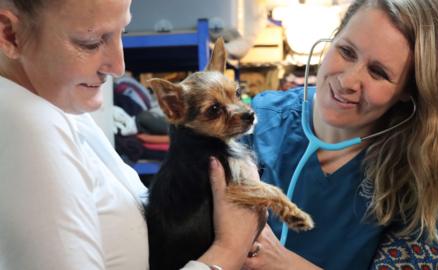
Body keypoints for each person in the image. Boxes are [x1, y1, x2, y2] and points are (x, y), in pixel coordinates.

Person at [0, 0, 261, 269]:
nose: (119, 66)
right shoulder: (29, 127)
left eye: (121, 33)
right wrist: (230, 248)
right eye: (91, 42)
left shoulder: (58, 110)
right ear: (10, 34)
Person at [242, 0, 438, 269]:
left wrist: (284, 264)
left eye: (378, 72)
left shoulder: (428, 167)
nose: (347, 82)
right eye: (346, 51)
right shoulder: (258, 122)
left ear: (410, 91)